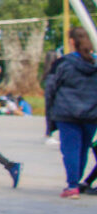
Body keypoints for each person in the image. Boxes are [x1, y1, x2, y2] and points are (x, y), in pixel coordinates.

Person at [44, 26, 97, 198]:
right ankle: (75, 181)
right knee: (82, 150)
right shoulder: (94, 63)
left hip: (67, 112)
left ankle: (72, 185)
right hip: (91, 113)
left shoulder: (63, 63)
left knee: (71, 149)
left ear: (72, 42)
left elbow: (51, 88)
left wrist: (50, 111)